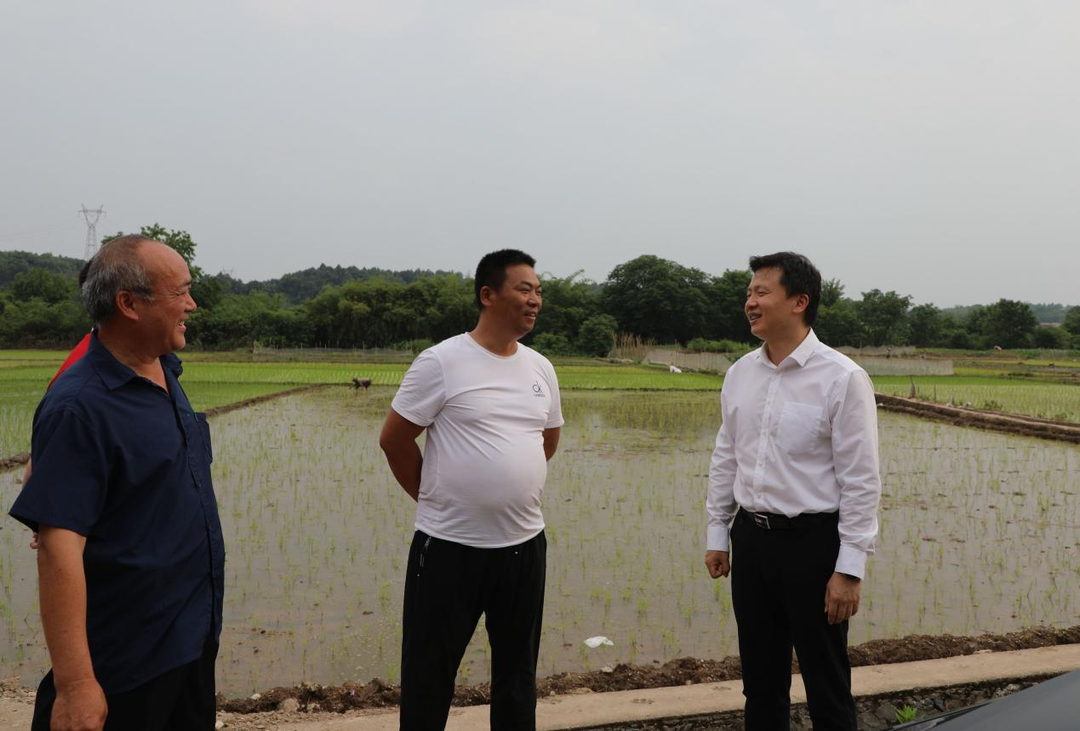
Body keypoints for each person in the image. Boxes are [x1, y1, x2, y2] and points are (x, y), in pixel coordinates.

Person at [10, 235, 225, 731]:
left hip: (191, 643)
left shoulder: (164, 368)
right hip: (126, 662)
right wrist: (76, 685)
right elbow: (57, 547)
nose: (192, 304)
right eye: (181, 292)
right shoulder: (80, 407)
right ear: (128, 304)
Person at [379, 249, 563, 731]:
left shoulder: (541, 368)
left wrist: (504, 482)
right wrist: (438, 499)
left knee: (518, 677)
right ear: (488, 295)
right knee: (428, 676)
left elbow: (547, 440)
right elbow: (394, 439)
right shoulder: (441, 361)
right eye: (524, 289)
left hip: (524, 547)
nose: (535, 299)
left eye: (539, 290)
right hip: (448, 548)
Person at [704, 252, 881, 730]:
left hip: (813, 545)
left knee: (826, 681)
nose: (750, 302)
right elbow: (727, 455)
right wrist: (718, 532)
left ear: (799, 301)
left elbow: (861, 480)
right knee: (760, 681)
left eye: (762, 292)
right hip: (753, 539)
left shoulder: (842, 378)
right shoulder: (740, 373)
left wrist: (850, 567)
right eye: (749, 292)